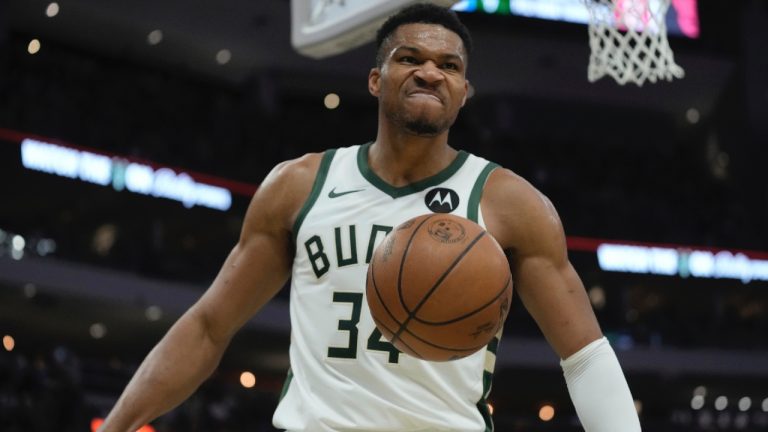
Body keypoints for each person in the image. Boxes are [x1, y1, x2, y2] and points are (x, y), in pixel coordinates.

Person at [99, 3, 641, 431]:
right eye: (410, 58)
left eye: (449, 66)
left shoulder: (510, 203)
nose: (430, 71)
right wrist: (116, 426)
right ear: (376, 79)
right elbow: (208, 327)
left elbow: (587, 357)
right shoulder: (299, 186)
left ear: (463, 94)